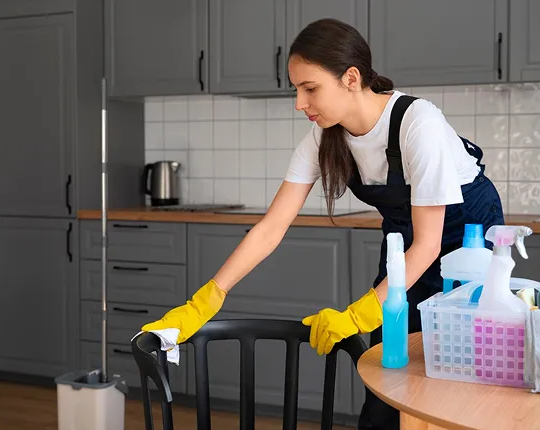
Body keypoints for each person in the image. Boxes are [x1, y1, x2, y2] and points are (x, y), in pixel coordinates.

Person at [140, 18, 505, 429]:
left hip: (467, 240)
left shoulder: (418, 123)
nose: (299, 102)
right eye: (296, 89)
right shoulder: (325, 136)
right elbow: (270, 228)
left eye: (309, 88)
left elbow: (430, 244)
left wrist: (356, 317)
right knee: (389, 369)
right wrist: (205, 301)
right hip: (406, 242)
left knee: (450, 369)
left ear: (351, 78)